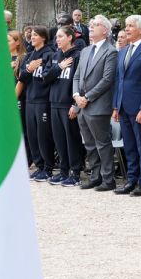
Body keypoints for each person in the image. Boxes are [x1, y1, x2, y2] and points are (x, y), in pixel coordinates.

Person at [112, 15, 141, 196]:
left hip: (139, 108)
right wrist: (116, 106)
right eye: (126, 25)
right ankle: (131, 180)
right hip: (123, 106)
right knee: (129, 146)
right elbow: (119, 80)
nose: (127, 29)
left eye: (131, 26)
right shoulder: (123, 51)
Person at [72, 14, 118, 192]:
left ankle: (108, 179)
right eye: (90, 24)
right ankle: (95, 176)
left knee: (102, 143)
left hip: (97, 105)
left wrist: (87, 97)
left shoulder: (111, 51)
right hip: (81, 105)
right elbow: (76, 76)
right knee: (89, 144)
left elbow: (107, 79)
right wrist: (77, 96)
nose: (91, 26)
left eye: (96, 24)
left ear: (105, 30)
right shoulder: (85, 51)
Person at [43, 26, 83, 187]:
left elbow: (81, 81)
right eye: (56, 37)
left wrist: (75, 104)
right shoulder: (55, 55)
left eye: (60, 36)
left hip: (68, 104)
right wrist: (59, 67)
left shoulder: (78, 55)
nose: (57, 39)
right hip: (54, 103)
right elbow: (46, 77)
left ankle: (76, 173)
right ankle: (64, 171)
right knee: (59, 140)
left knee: (71, 139)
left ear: (70, 37)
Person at [19, 26, 55, 181]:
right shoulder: (30, 55)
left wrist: (35, 68)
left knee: (43, 135)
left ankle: (48, 167)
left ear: (43, 37)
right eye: (31, 35)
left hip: (43, 101)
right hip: (29, 100)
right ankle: (39, 166)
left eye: (35, 35)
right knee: (32, 135)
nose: (32, 37)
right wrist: (29, 69)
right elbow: (22, 77)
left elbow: (49, 77)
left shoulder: (49, 54)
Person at [9, 29, 31, 166]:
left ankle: (25, 158)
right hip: (4, 99)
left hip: (18, 99)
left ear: (17, 42)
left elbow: (21, 81)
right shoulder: (3, 57)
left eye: (8, 41)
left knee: (21, 129)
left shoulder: (23, 58)